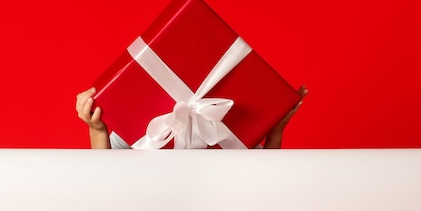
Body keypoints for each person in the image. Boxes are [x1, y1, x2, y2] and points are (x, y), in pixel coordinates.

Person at [75, 86, 308, 149]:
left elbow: (266, 181)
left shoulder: (227, 123)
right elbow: (105, 176)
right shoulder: (144, 123)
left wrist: (275, 130)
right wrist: (97, 130)